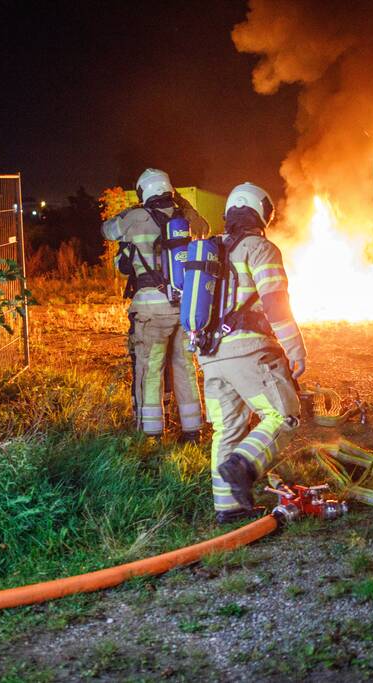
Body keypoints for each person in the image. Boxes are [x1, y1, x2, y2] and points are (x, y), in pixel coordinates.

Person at [199, 182, 307, 523]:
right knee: (283, 414)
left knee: (227, 430)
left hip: (210, 357)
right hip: (248, 352)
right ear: (261, 213)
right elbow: (275, 301)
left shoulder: (210, 252)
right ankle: (243, 467)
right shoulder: (260, 248)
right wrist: (294, 348)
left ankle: (228, 509)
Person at [101, 168, 209, 440]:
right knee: (185, 367)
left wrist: (132, 210)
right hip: (185, 308)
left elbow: (107, 230)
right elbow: (205, 229)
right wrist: (183, 205)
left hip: (151, 310)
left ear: (144, 191)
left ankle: (151, 435)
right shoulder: (185, 218)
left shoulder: (136, 218)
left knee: (150, 368)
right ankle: (192, 430)